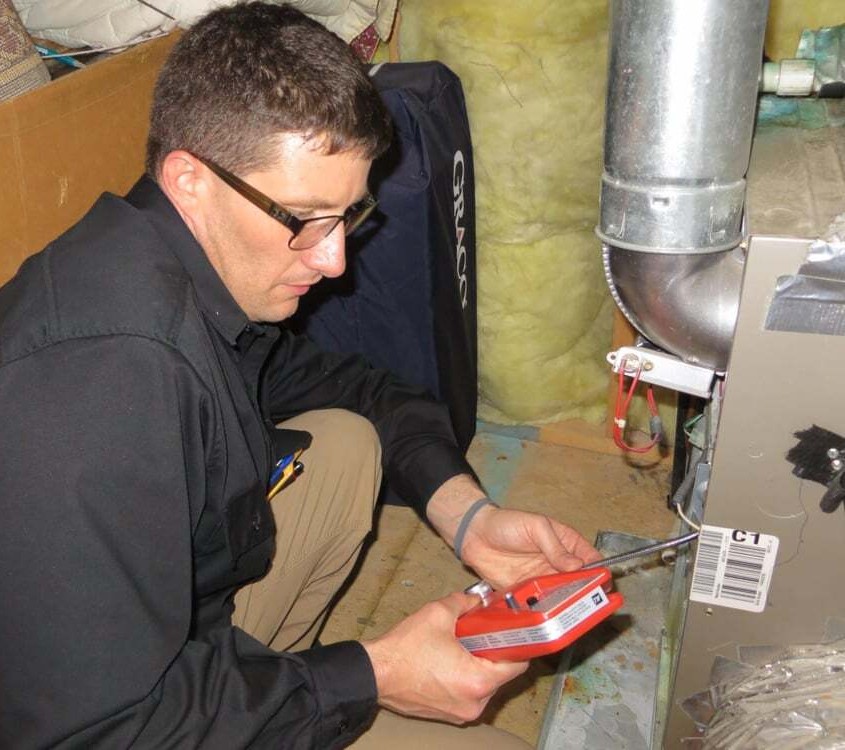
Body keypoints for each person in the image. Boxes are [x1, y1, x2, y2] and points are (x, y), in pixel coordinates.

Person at [0, 3, 601, 748]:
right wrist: (374, 674)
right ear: (190, 178)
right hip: (100, 722)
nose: (334, 260)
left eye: (349, 216)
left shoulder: (187, 270)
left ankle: (262, 696)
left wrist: (468, 518)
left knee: (346, 441)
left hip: (167, 652)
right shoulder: (97, 389)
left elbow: (369, 392)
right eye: (306, 220)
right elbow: (93, 729)